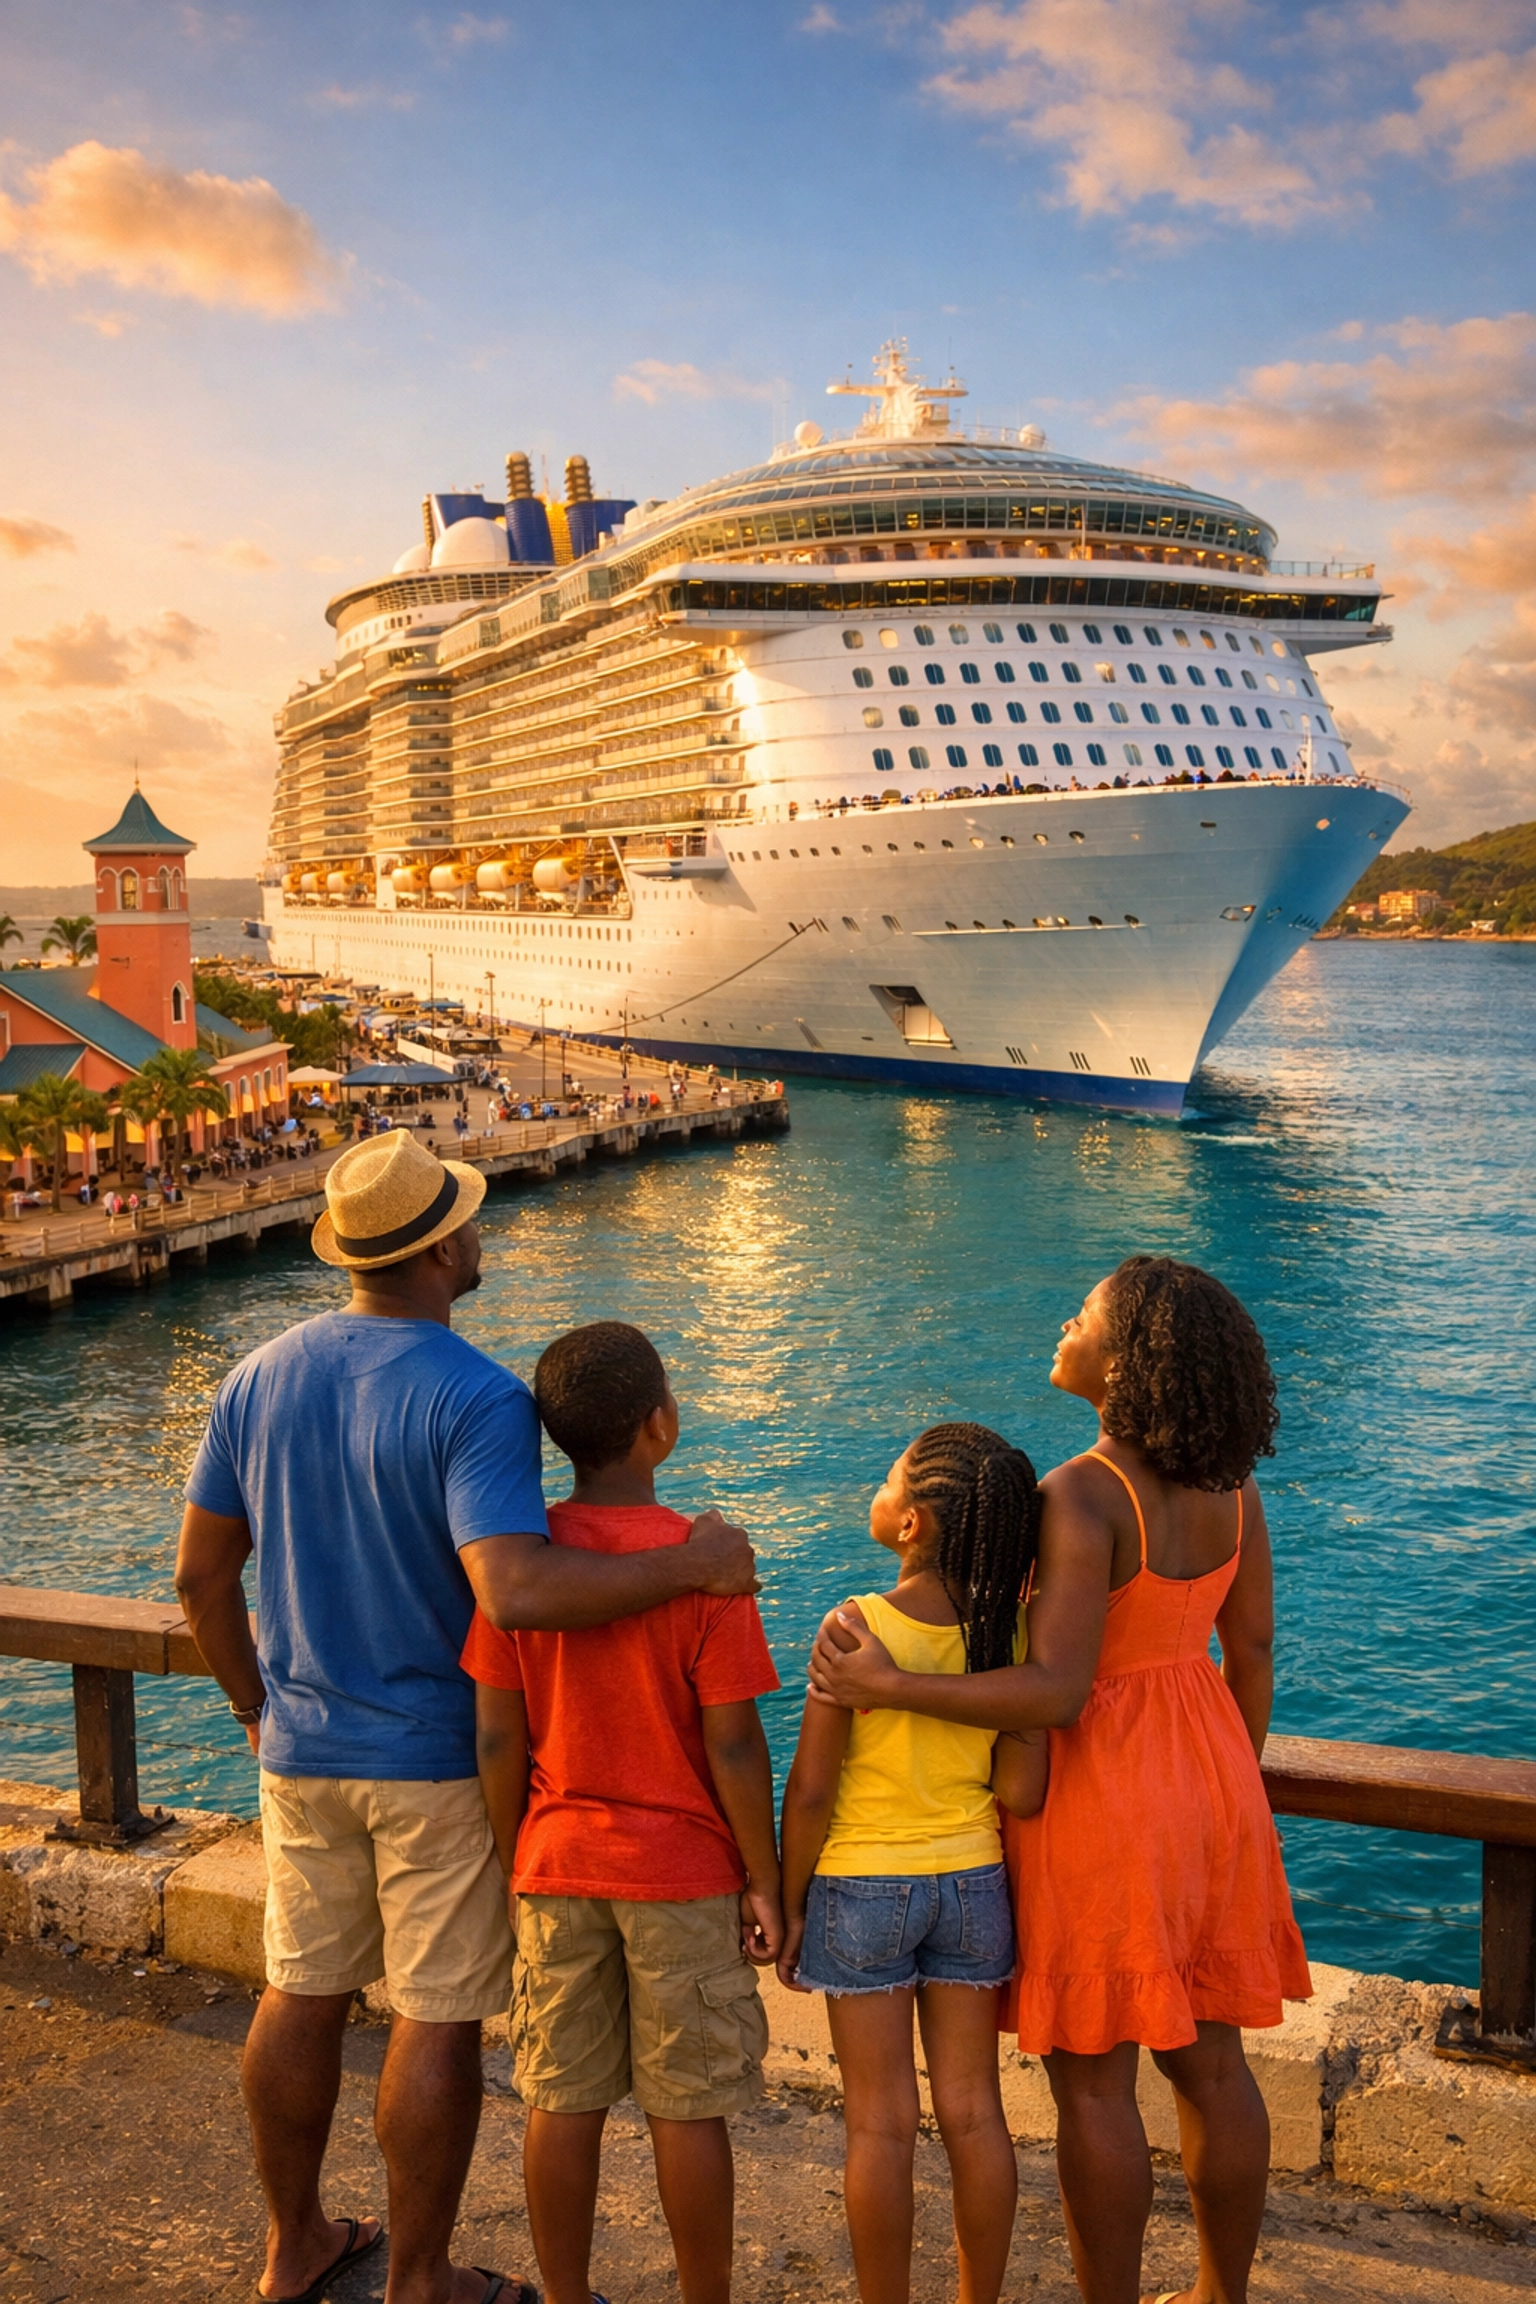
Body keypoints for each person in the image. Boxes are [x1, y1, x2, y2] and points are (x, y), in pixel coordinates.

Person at [174, 1132, 759, 2304]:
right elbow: (519, 1589)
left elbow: (199, 1579)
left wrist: (253, 1706)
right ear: (442, 1249)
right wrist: (696, 1566)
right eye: (472, 1221)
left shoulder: (256, 1375)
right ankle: (422, 2274)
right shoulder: (478, 1397)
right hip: (435, 1756)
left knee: (303, 1989)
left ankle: (294, 2247)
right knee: (437, 2013)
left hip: (299, 1748)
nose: (481, 1235)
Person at [809, 1258, 1310, 2304]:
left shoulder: (1080, 1492)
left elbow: (1056, 1688)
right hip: (1213, 1775)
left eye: (1080, 1315)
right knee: (1214, 2066)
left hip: (1104, 1798)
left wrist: (892, 1681)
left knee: (1093, 2081)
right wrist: (1232, 1789)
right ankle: (1222, 2294)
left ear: (1122, 1365)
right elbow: (1252, 1646)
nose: (1063, 1323)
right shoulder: (1234, 1485)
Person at [465, 1321, 782, 2304]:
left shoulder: (525, 1566)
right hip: (682, 1876)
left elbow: (495, 1739)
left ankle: (562, 2295)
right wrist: (763, 1878)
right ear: (662, 1425)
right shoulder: (707, 1562)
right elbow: (733, 1743)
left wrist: (518, 1851)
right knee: (688, 2115)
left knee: (560, 2102)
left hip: (559, 1866)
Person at [781, 1425, 1046, 2304]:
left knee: (881, 2127)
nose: (879, 1484)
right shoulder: (1005, 1636)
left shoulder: (855, 1626)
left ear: (912, 1525)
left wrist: (789, 1904)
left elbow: (813, 1792)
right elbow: (1021, 1788)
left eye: (889, 1475)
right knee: (975, 2115)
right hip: (973, 1887)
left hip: (862, 1890)